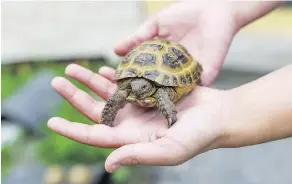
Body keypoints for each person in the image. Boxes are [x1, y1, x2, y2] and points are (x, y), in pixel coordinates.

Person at [47, 1, 292, 173]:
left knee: (162, 98)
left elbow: (162, 98)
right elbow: (120, 95)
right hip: (143, 61)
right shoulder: (129, 87)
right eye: (136, 87)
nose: (138, 91)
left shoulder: (162, 91)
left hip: (172, 66)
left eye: (142, 88)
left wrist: (172, 118)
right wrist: (223, 6)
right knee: (119, 95)